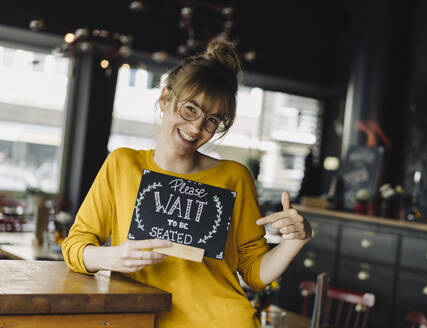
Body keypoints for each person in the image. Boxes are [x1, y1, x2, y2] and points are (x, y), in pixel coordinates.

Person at [62, 39, 312, 328]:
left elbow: (254, 273)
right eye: (190, 109)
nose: (196, 128)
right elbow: (75, 247)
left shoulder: (234, 177)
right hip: (141, 319)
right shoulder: (123, 164)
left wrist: (297, 240)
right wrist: (112, 257)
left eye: (211, 120)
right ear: (166, 98)